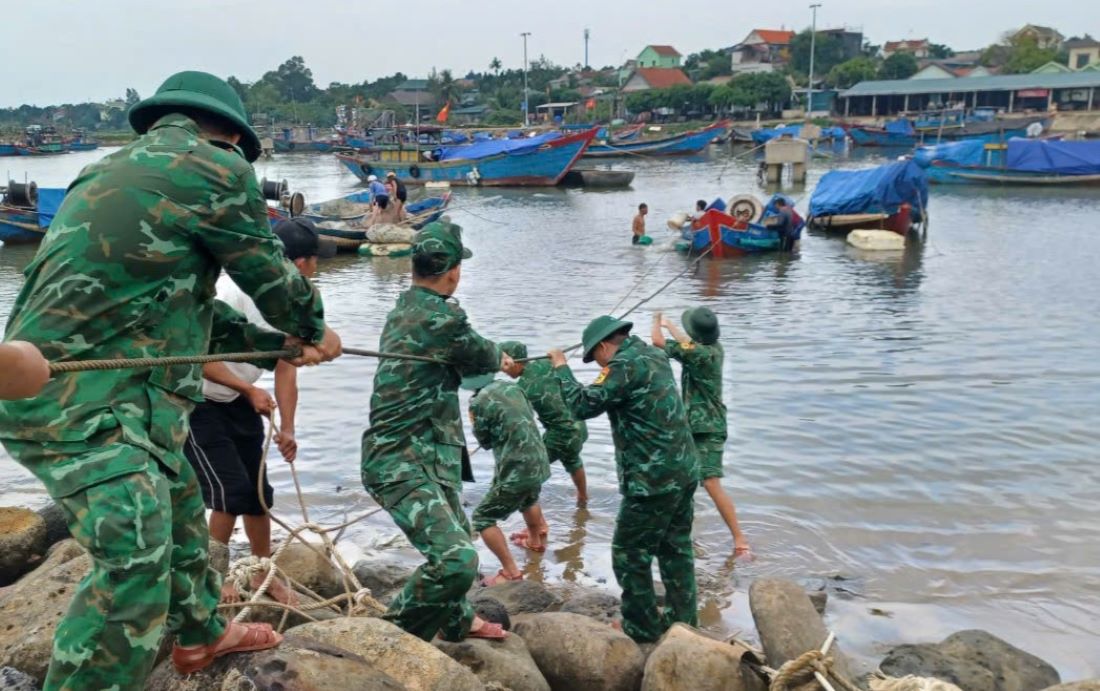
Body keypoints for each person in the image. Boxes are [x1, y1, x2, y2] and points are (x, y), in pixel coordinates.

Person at [0, 70, 342, 690]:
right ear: (231, 138)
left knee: (183, 502)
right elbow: (272, 282)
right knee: (134, 565)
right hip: (78, 405)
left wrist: (279, 348)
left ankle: (201, 633)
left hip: (106, 400)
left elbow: (177, 316)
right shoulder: (216, 169)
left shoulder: (107, 171)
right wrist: (312, 328)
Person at [361, 221, 513, 643]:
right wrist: (504, 360)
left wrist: (491, 359)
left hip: (428, 450)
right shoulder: (441, 316)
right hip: (398, 460)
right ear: (453, 272)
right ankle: (391, 641)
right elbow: (481, 356)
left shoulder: (407, 305)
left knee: (457, 536)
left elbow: (466, 361)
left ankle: (458, 618)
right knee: (457, 559)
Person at [184, 218, 337, 606]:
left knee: (258, 493)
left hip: (239, 400)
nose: (316, 269)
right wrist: (247, 388)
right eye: (315, 261)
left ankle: (261, 574)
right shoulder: (231, 295)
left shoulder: (293, 310)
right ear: (299, 264)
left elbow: (288, 368)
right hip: (198, 401)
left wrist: (287, 428)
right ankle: (214, 580)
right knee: (229, 493)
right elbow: (195, 357)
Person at [549, 316, 698, 644]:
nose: (597, 363)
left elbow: (581, 404)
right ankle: (684, 623)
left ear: (604, 346)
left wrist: (560, 367)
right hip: (684, 470)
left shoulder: (624, 365)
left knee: (629, 553)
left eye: (594, 357)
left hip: (653, 478)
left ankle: (642, 628)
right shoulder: (652, 354)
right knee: (675, 549)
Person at [651, 308, 751, 558]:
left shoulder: (697, 354)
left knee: (710, 482)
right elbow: (687, 343)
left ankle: (740, 540)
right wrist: (670, 324)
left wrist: (655, 321)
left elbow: (658, 343)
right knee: (685, 480)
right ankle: (682, 534)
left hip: (707, 428)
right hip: (696, 425)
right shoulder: (714, 348)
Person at [464, 350, 551, 585]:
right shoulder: (513, 387)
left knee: (482, 518)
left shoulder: (478, 401)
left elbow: (485, 441)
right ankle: (535, 541)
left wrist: (475, 420)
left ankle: (511, 571)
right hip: (538, 459)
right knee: (528, 498)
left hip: (517, 467)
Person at [508, 341, 589, 507]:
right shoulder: (546, 362)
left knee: (529, 470)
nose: (504, 370)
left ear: (515, 362)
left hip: (561, 433)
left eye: (504, 365)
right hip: (579, 426)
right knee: (572, 459)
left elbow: (521, 421)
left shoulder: (522, 387)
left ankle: (535, 523)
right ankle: (583, 499)